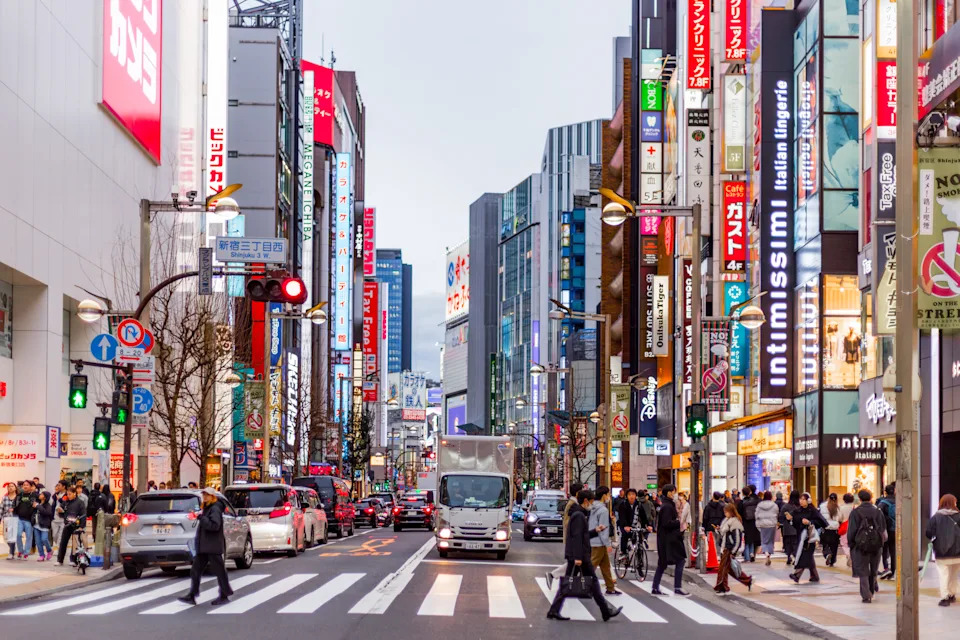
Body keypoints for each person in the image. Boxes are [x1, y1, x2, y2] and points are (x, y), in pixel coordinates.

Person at [546, 489, 621, 622]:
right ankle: (606, 611)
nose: (592, 504)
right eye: (591, 501)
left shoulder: (578, 514)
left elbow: (582, 534)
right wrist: (578, 557)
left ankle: (554, 610)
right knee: (592, 581)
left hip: (577, 555)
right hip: (580, 556)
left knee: (571, 583)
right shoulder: (579, 516)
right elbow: (577, 537)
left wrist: (595, 531)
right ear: (586, 501)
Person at [178, 488, 233, 606]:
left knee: (219, 571)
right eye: (204, 494)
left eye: (207, 495)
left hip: (212, 545)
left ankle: (224, 594)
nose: (205, 497)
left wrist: (202, 518)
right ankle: (192, 595)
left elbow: (215, 525)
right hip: (205, 546)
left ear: (212, 496)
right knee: (196, 570)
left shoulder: (215, 508)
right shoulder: (208, 507)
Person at [846, 489, 887, 603]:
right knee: (873, 569)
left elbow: (851, 531)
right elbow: (883, 529)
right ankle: (872, 591)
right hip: (876, 544)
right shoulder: (878, 511)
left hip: (860, 545)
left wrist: (851, 544)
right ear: (871, 498)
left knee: (863, 570)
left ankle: (866, 595)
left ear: (859, 499)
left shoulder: (856, 512)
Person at [651, 484, 689, 596]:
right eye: (673, 492)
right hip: (670, 539)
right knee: (680, 560)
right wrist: (679, 522)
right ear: (669, 493)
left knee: (662, 563)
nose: (675, 494)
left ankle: (655, 587)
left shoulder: (666, 504)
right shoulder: (667, 506)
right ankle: (677, 587)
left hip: (666, 539)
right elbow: (666, 523)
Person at [925, 493, 960, 607]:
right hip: (958, 552)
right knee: (954, 574)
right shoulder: (958, 516)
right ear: (953, 503)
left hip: (942, 552)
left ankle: (945, 598)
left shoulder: (935, 517)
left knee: (943, 574)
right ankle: (952, 594)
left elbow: (928, 533)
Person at [546, 483, 583, 589]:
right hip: (573, 537)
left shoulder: (573, 503)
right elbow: (569, 522)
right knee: (574, 562)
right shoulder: (573, 505)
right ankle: (556, 577)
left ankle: (567, 584)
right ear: (577, 493)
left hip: (572, 537)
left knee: (574, 563)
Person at [788, 493, 827, 584]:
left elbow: (821, 522)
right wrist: (790, 519)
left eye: (803, 499)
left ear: (808, 500)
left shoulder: (813, 511)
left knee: (805, 555)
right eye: (800, 499)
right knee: (808, 556)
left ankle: (797, 574)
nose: (801, 501)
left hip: (810, 537)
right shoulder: (797, 511)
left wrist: (810, 522)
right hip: (800, 536)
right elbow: (795, 523)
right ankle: (814, 576)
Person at [714, 503, 753, 593]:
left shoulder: (734, 522)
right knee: (729, 569)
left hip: (729, 548)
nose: (725, 514)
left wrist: (733, 551)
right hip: (725, 547)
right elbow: (723, 534)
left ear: (731, 512)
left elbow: (737, 539)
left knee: (723, 569)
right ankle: (747, 580)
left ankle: (721, 586)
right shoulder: (727, 520)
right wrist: (718, 530)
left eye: (726, 512)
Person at [589, 486, 619, 595]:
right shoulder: (603, 510)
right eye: (608, 494)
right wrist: (607, 544)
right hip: (599, 542)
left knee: (605, 566)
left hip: (593, 539)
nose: (609, 497)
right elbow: (603, 528)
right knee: (592, 565)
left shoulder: (592, 507)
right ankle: (584, 585)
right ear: (603, 495)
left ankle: (610, 588)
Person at [55, 486, 86, 566]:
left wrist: (81, 526)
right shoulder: (65, 502)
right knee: (63, 543)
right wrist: (60, 511)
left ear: (74, 494)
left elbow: (83, 514)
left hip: (76, 525)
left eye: (70, 494)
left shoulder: (80, 502)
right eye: (67, 494)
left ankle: (73, 559)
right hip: (67, 525)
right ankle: (60, 560)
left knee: (75, 543)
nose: (68, 496)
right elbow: (61, 513)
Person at [616, 488, 649, 555]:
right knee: (624, 535)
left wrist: (648, 525)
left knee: (639, 538)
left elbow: (643, 517)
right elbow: (622, 517)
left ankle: (639, 557)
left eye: (633, 494)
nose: (631, 496)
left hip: (634, 526)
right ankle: (623, 553)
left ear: (636, 496)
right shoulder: (623, 504)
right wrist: (625, 526)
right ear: (626, 496)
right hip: (624, 525)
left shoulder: (638, 504)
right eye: (629, 495)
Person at [14, 480, 38, 559]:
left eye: (27, 485)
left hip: (29, 520)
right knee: (18, 535)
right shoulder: (19, 495)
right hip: (20, 518)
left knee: (29, 536)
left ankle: (26, 552)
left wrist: (36, 506)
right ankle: (20, 551)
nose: (25, 486)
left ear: (31, 487)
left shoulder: (35, 495)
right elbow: (15, 504)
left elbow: (40, 504)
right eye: (24, 485)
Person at [877, 484, 897, 580]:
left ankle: (886, 568)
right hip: (896, 529)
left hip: (885, 529)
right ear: (894, 491)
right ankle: (893, 571)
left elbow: (877, 514)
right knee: (893, 550)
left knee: (885, 549)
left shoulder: (883, 502)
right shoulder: (899, 501)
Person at [756, 491, 780, 566]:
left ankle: (766, 553)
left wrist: (757, 523)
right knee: (770, 541)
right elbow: (777, 513)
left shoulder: (760, 505)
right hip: (772, 524)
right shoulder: (774, 505)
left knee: (764, 540)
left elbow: (756, 515)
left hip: (763, 525)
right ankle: (769, 552)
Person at [738, 486, 760, 562]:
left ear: (743, 493)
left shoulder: (742, 502)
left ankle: (746, 557)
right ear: (750, 492)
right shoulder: (755, 501)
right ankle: (752, 555)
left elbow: (739, 513)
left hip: (745, 522)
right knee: (752, 540)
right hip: (754, 522)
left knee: (747, 540)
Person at [779, 490, 802, 565]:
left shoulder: (786, 506)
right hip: (797, 528)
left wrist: (781, 523)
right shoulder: (800, 507)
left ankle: (789, 556)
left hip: (787, 528)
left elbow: (781, 516)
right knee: (796, 543)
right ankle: (795, 557)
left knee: (788, 543)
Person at [819, 493, 841, 567]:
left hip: (826, 528)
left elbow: (820, 517)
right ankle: (832, 561)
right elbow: (840, 518)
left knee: (825, 545)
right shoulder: (838, 507)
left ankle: (827, 554)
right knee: (834, 546)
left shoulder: (822, 506)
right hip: (835, 529)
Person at [33, 491, 54, 561]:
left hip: (44, 524)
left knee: (44, 539)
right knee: (38, 541)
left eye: (42, 494)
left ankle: (49, 550)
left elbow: (47, 512)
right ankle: (41, 555)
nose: (40, 495)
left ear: (45, 497)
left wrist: (38, 506)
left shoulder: (47, 505)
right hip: (36, 524)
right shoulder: (37, 503)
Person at [838, 493, 856, 567]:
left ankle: (848, 554)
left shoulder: (841, 508)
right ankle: (852, 555)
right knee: (853, 542)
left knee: (844, 543)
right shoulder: (855, 507)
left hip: (844, 527)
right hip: (854, 526)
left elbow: (839, 518)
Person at [2, 482, 18, 559]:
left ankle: (11, 553)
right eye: (9, 486)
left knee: (13, 536)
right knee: (6, 537)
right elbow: (1, 508)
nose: (10, 487)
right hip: (7, 518)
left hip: (15, 518)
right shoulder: (4, 498)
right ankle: (12, 549)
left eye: (12, 486)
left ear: (15, 488)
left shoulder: (18, 498)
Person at [50, 482, 66, 551]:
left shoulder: (67, 494)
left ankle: (58, 549)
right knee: (54, 535)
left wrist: (60, 499)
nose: (58, 487)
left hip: (63, 518)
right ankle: (57, 545)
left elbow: (66, 504)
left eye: (59, 485)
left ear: (64, 486)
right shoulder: (55, 495)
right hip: (54, 518)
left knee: (60, 535)